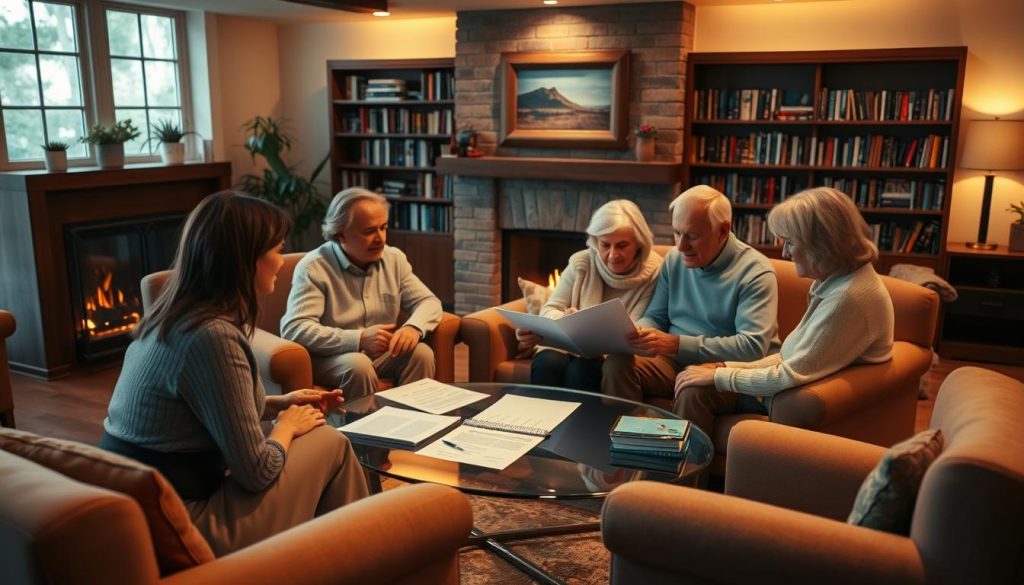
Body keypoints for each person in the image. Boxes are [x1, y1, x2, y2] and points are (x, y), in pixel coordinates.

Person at [101, 191, 368, 556]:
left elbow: (204, 412)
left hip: (145, 515)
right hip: (185, 525)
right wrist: (286, 427)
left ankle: (331, 558)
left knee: (315, 438)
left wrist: (279, 404)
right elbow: (256, 471)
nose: (280, 262)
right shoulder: (212, 337)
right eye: (276, 250)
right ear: (246, 260)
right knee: (331, 443)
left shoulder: (171, 319)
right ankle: (363, 556)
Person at [675, 186, 894, 435]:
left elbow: (789, 373)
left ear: (821, 244)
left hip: (789, 401)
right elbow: (788, 356)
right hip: (781, 395)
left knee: (695, 391)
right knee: (695, 385)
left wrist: (719, 377)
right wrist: (720, 368)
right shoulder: (835, 281)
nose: (784, 252)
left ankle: (675, 474)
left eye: (790, 242)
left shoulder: (847, 297)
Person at [602, 185, 780, 419]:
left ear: (723, 231)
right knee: (617, 363)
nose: (681, 246)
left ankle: (686, 457)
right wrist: (637, 331)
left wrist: (676, 344)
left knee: (692, 388)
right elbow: (656, 316)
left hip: (728, 370)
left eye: (692, 236)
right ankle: (625, 447)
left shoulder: (756, 272)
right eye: (677, 233)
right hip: (673, 363)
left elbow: (751, 347)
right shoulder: (674, 260)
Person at [281, 187, 442, 399]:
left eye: (383, 228)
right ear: (341, 235)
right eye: (369, 231)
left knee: (421, 353)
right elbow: (295, 329)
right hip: (332, 358)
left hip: (380, 356)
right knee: (358, 365)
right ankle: (361, 431)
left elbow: (429, 302)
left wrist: (413, 327)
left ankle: (413, 426)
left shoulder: (394, 259)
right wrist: (358, 339)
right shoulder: (314, 268)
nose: (380, 239)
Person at [519, 199, 663, 392]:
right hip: (566, 346)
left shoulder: (655, 272)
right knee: (547, 363)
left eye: (621, 246)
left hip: (612, 354)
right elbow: (550, 308)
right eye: (605, 245)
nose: (612, 255)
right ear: (595, 241)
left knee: (583, 370)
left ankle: (581, 423)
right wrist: (565, 320)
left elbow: (639, 325)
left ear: (639, 243)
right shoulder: (581, 262)